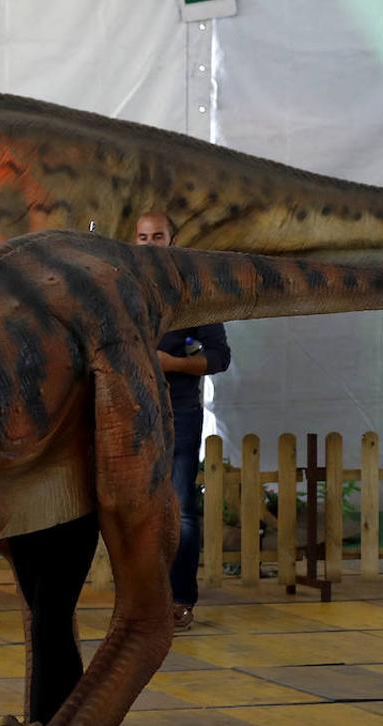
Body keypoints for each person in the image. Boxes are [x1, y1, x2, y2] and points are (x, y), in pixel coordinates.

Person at [136, 210, 232, 631]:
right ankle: (140, 601)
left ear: (172, 241)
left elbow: (218, 358)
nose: (150, 243)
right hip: (129, 417)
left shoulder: (194, 297)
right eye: (143, 237)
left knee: (180, 510)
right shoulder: (123, 290)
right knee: (132, 511)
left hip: (180, 415)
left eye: (158, 236)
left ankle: (179, 601)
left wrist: (172, 363)